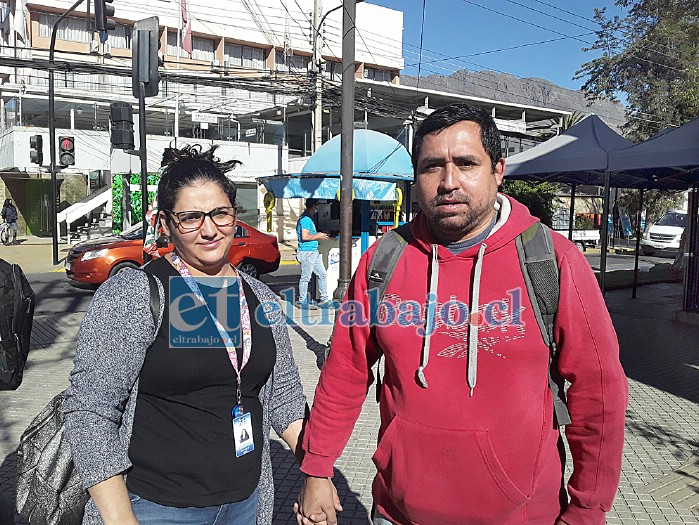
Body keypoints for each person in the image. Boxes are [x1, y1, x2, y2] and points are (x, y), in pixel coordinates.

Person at [295, 104, 628, 525]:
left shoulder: (552, 261)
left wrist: (586, 510)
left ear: (498, 170)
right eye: (433, 166)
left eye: (466, 163)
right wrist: (317, 467)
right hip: (399, 513)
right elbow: (345, 369)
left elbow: (598, 396)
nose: (449, 182)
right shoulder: (384, 260)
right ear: (416, 177)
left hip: (520, 515)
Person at [64, 145, 336, 525]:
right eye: (191, 217)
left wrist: (315, 472)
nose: (209, 230)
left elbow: (285, 398)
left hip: (246, 502)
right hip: (153, 506)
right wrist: (121, 519)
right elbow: (91, 410)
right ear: (165, 224)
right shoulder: (137, 294)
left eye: (220, 214)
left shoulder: (257, 297)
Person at [296, 198, 330, 307]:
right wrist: (319, 236)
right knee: (306, 277)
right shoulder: (305, 219)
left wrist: (319, 234)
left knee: (322, 274)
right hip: (307, 252)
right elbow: (305, 236)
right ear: (313, 206)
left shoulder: (309, 218)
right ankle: (302, 301)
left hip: (313, 251)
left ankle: (324, 298)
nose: (317, 208)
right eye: (317, 206)